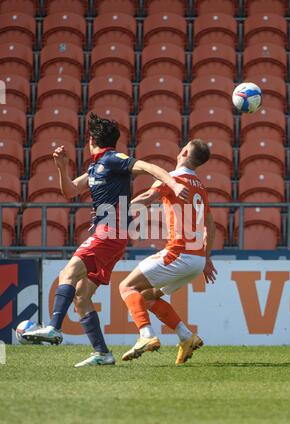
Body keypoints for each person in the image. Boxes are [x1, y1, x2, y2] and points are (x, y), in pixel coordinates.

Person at [23, 113, 189, 367]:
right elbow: (70, 190)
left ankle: (54, 327)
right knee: (81, 295)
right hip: (111, 236)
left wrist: (173, 184)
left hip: (110, 230)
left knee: (69, 272)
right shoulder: (95, 167)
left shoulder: (113, 159)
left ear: (92, 140)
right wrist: (62, 168)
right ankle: (102, 353)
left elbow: (148, 167)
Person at [119, 139, 217, 365]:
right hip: (196, 259)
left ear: (183, 152)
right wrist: (207, 257)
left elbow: (146, 199)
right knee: (148, 296)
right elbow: (210, 226)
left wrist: (119, 209)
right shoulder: (200, 187)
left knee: (126, 286)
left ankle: (146, 336)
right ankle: (186, 336)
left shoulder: (172, 178)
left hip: (178, 253)